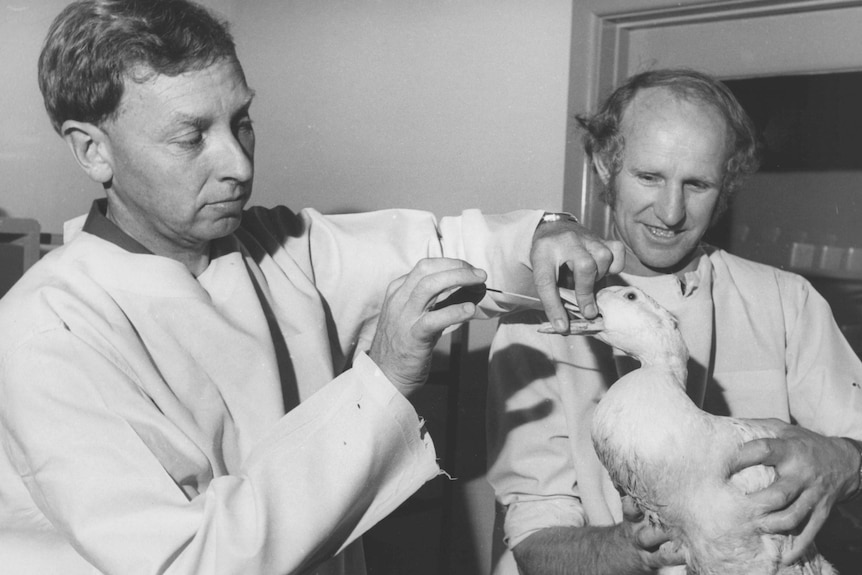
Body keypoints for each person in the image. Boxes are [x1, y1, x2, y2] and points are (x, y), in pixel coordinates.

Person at [0, 1, 623, 573]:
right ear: (93, 152)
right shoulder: (47, 333)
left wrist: (545, 234)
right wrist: (382, 382)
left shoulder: (276, 245)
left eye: (241, 121)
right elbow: (189, 563)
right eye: (192, 136)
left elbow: (445, 251)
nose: (240, 165)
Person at [487, 68, 862, 575]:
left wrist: (844, 461)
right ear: (604, 165)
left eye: (697, 184)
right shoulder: (541, 317)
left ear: (726, 184)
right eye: (649, 177)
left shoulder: (786, 301)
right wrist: (644, 546)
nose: (670, 212)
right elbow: (534, 539)